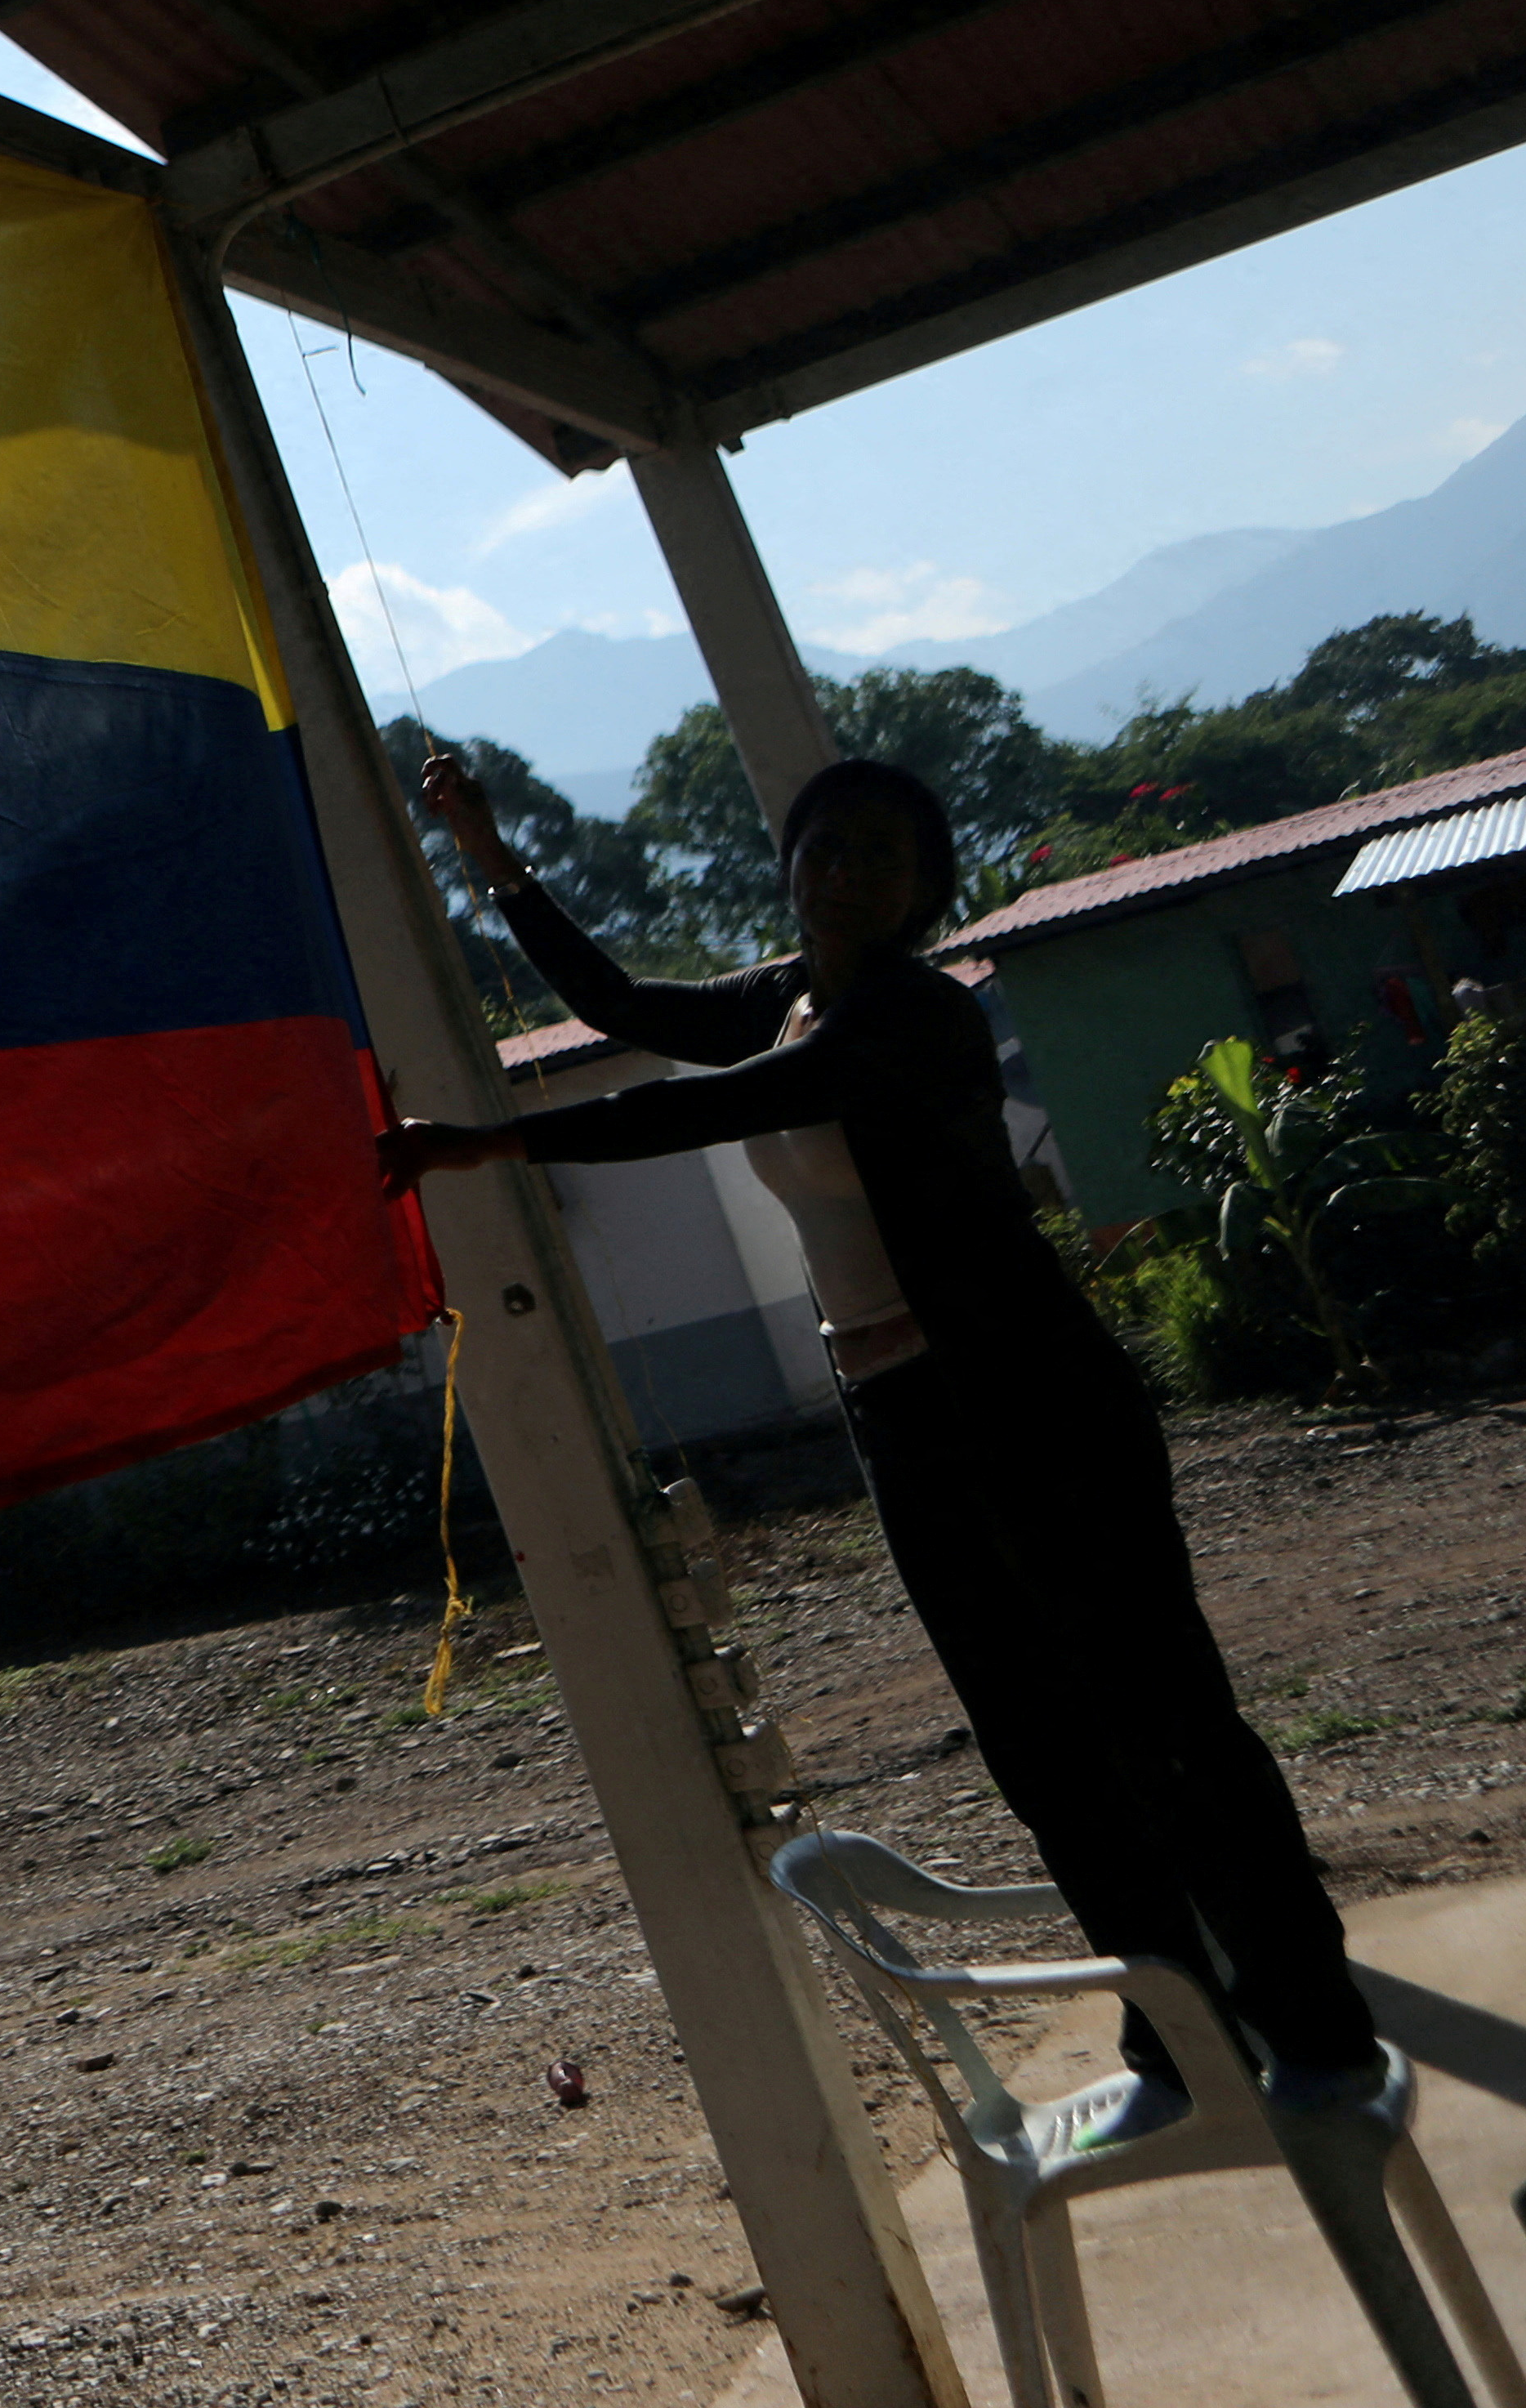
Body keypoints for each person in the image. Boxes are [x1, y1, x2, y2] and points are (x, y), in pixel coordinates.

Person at [380, 744, 1387, 2144]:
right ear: (789, 866)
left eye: (881, 855)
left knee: (1165, 1717)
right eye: (824, 846)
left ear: (922, 894)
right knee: (1035, 1740)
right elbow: (620, 1009)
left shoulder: (914, 1016)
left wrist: (484, 1148)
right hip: (901, 1415)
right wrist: (491, 858)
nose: (846, 870)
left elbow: (712, 1107)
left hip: (1033, 1399)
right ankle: (1176, 2041)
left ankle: (1320, 2027)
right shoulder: (791, 1002)